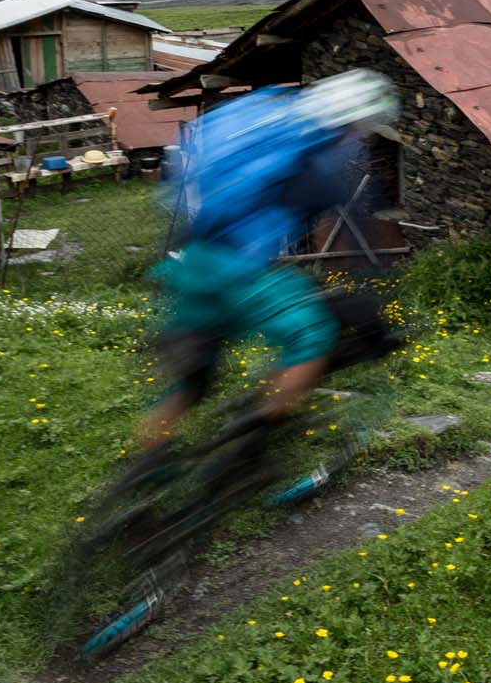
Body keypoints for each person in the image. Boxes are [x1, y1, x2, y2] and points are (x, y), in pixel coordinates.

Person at [128, 69, 399, 482]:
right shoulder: (316, 166)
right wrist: (371, 298)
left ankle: (142, 478)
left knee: (193, 379)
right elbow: (358, 232)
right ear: (348, 125)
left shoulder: (259, 121)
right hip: (244, 273)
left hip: (191, 261)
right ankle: (251, 446)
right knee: (312, 336)